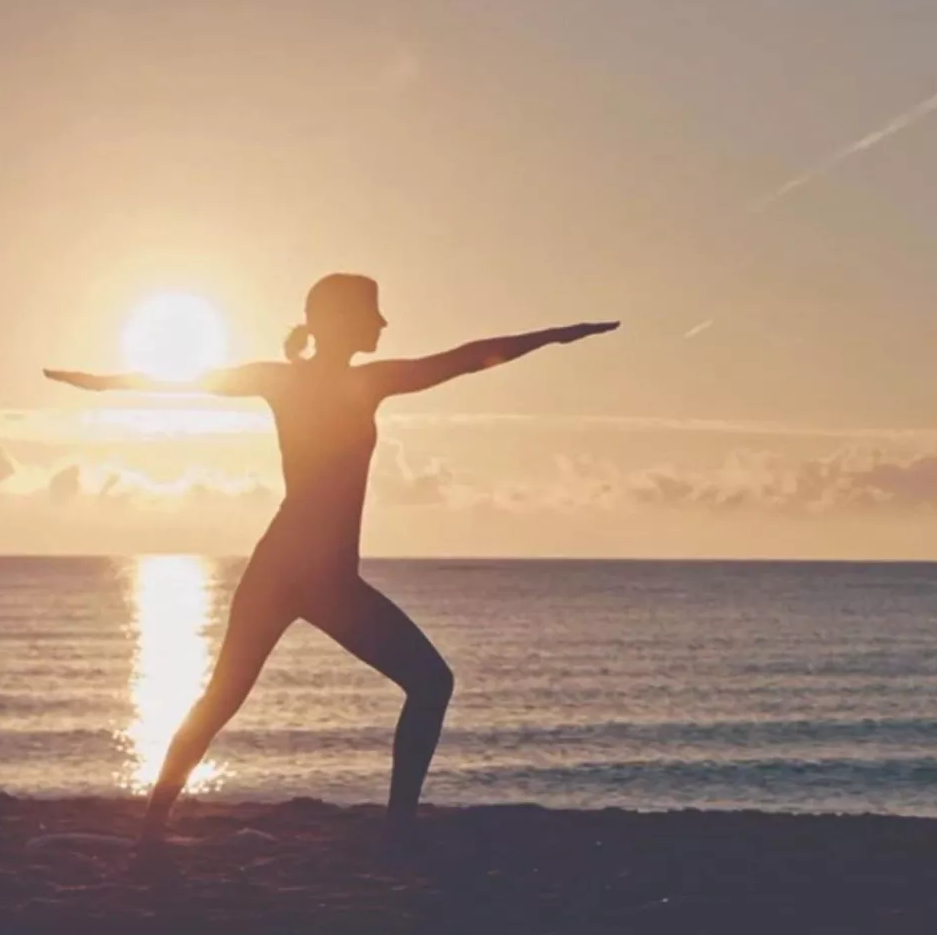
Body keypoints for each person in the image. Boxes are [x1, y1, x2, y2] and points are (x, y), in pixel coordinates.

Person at [45, 273, 618, 853]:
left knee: (234, 696)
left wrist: (553, 335)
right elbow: (184, 380)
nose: (384, 323)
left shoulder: (332, 381)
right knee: (416, 684)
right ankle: (391, 831)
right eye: (374, 312)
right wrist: (101, 383)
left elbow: (465, 360)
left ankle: (154, 832)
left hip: (302, 569)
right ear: (339, 320)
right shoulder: (347, 383)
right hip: (310, 572)